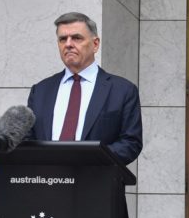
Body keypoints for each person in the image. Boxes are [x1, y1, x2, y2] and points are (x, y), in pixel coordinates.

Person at [27, 12, 143, 165]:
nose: (68, 44)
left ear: (95, 44)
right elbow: (27, 139)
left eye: (76, 38)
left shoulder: (122, 90)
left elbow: (130, 143)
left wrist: (89, 161)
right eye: (63, 39)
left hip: (95, 182)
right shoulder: (41, 91)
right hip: (46, 182)